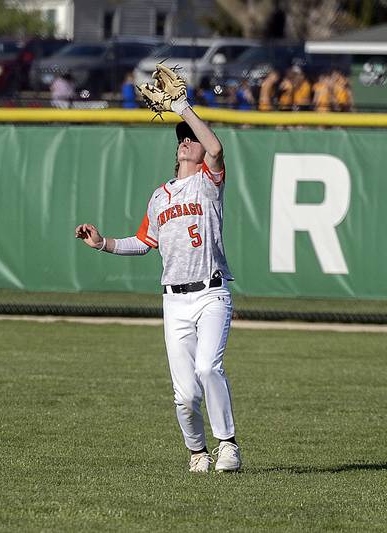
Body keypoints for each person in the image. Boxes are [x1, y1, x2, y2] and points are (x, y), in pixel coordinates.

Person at [75, 91, 241, 474]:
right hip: (174, 302)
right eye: (182, 138)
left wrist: (182, 108)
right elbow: (143, 242)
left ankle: (228, 445)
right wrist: (103, 243)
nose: (187, 141)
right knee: (185, 395)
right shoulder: (159, 197)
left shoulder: (208, 184)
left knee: (208, 369)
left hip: (212, 292)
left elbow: (216, 148)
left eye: (192, 138)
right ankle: (197, 452)